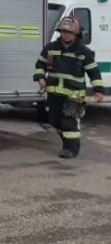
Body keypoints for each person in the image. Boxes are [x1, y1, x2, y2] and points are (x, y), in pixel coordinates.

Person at [33, 15, 104, 158]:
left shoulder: (84, 52)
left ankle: (70, 149)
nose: (65, 35)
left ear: (75, 34)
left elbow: (94, 72)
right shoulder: (51, 48)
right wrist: (40, 77)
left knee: (68, 121)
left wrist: (98, 90)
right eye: (63, 32)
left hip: (74, 93)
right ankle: (67, 140)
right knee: (53, 119)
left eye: (68, 32)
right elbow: (40, 64)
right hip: (54, 92)